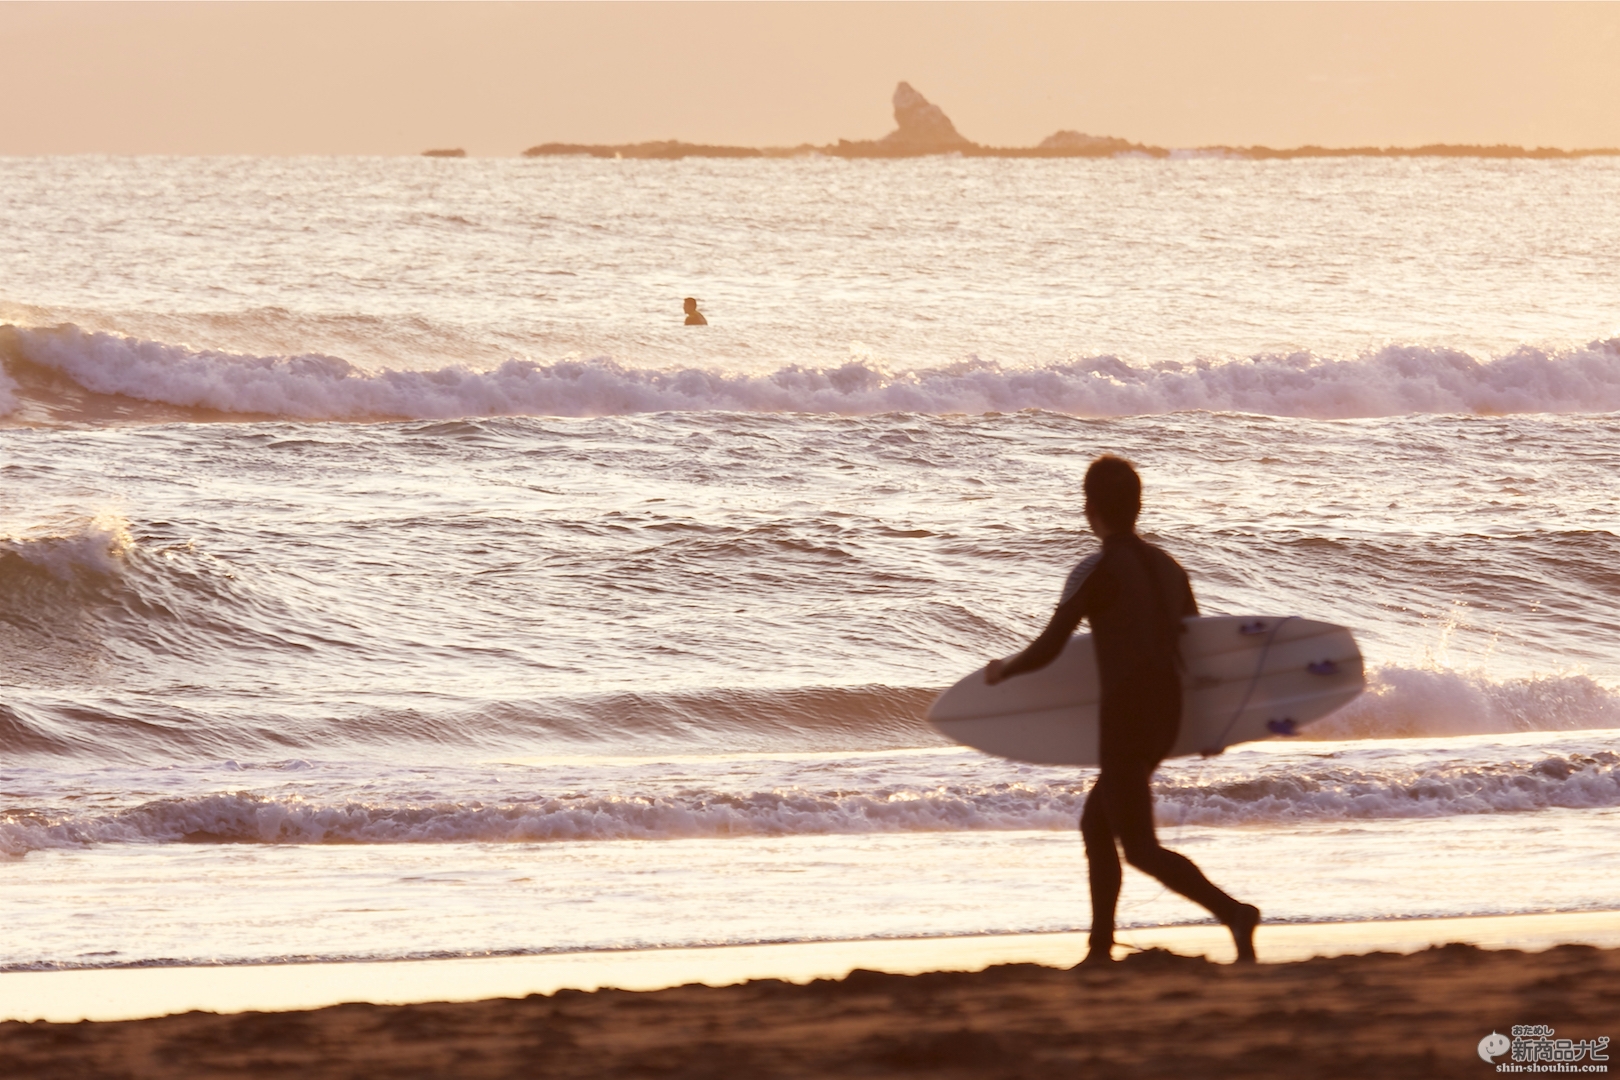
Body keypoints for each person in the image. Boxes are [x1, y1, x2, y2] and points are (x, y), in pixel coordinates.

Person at [985, 455, 1260, 965]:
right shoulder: (1169, 568)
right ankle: (1099, 947)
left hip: (1127, 720)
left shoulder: (1097, 569)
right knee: (1097, 824)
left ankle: (1234, 913)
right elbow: (1197, 651)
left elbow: (1050, 646)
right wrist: (1209, 723)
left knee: (1137, 847)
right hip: (1165, 717)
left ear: (1089, 508)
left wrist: (1004, 670)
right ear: (1138, 507)